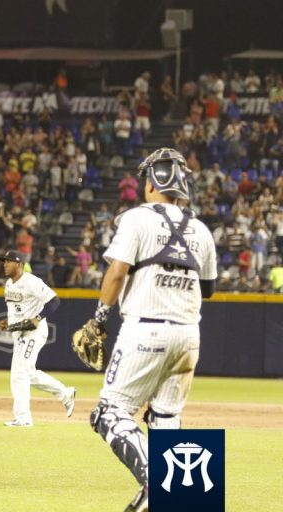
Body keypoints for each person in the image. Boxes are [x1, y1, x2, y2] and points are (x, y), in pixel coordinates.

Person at [75, 147, 217, 512]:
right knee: (165, 417)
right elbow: (209, 289)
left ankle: (161, 483)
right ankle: (179, 499)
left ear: (154, 182)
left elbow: (117, 271)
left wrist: (99, 319)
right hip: (189, 336)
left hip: (145, 329)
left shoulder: (136, 219)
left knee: (109, 413)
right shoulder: (201, 229)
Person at [0, 250, 76, 427]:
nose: (4, 264)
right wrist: (7, 323)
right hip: (20, 333)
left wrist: (38, 318)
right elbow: (16, 313)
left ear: (19, 264)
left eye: (8, 261)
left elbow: (54, 301)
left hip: (35, 332)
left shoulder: (31, 281)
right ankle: (65, 393)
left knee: (19, 373)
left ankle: (23, 418)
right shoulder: (9, 285)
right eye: (4, 261)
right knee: (27, 373)